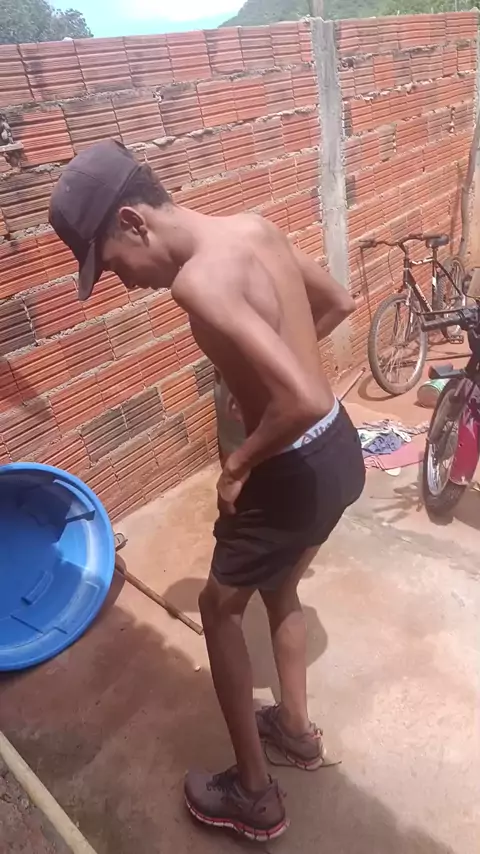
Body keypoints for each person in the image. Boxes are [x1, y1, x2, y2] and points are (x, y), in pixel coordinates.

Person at [49, 139, 365, 842]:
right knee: (281, 589)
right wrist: (266, 376)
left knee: (218, 610)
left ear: (133, 222)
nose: (124, 283)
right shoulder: (252, 227)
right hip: (340, 453)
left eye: (113, 265)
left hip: (287, 473)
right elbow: (337, 303)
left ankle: (254, 796)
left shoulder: (196, 283)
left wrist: (240, 463)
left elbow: (302, 398)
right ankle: (295, 729)